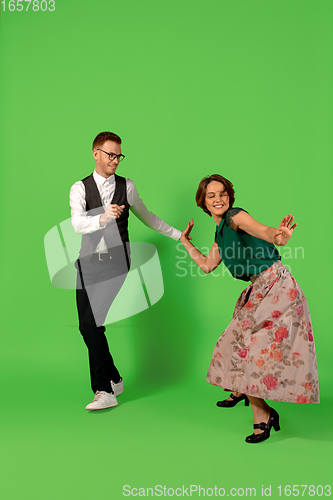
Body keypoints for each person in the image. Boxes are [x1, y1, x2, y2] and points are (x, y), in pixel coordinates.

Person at [180, 174, 319, 443]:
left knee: (249, 349)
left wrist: (277, 236)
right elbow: (207, 265)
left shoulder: (235, 216)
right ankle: (242, 388)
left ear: (229, 197)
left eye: (222, 193)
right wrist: (186, 241)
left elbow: (261, 230)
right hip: (259, 287)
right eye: (212, 196)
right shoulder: (220, 232)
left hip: (277, 287)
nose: (218, 199)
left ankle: (262, 415)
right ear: (203, 203)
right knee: (235, 344)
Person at [70, 131, 181, 411]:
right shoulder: (79, 188)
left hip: (116, 263)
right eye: (110, 154)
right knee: (87, 326)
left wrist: (179, 235)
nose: (116, 160)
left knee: (93, 323)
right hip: (87, 263)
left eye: (119, 155)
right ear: (96, 153)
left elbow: (149, 217)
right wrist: (103, 216)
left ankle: (104, 391)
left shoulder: (127, 186)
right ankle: (114, 377)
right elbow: (77, 225)